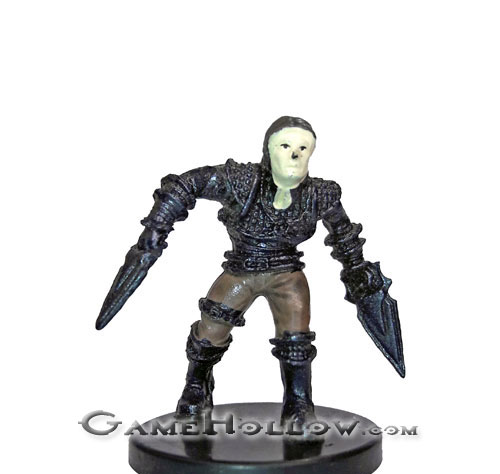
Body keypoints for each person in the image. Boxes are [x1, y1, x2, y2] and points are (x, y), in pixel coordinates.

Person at [96, 116, 402, 433]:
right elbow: (186, 184)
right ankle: (197, 384)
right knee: (212, 327)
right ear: (268, 149)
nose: (294, 155)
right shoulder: (241, 182)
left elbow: (345, 238)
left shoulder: (319, 194)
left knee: (296, 335)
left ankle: (298, 401)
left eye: (303, 148)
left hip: (287, 273)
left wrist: (359, 272)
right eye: (285, 146)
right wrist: (156, 229)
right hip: (241, 269)